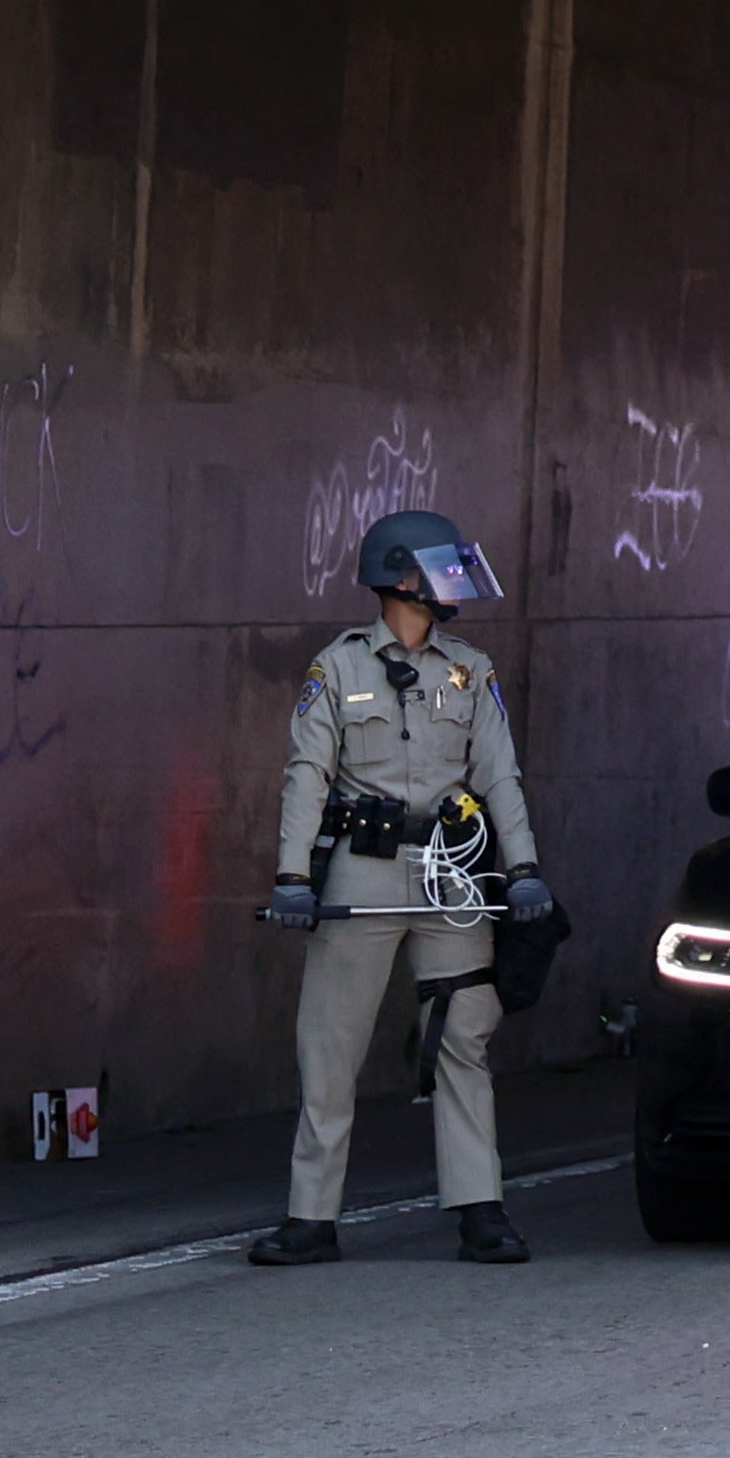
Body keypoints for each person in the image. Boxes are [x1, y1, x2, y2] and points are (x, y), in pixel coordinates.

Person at [254, 506, 546, 1267]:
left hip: (450, 872)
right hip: (364, 865)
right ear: (400, 574)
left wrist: (522, 870)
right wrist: (290, 875)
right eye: (439, 567)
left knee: (463, 1039)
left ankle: (481, 1209)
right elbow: (306, 776)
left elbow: (499, 776)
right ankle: (311, 1217)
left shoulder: (469, 670)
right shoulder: (339, 667)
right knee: (330, 1045)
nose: (453, 582)